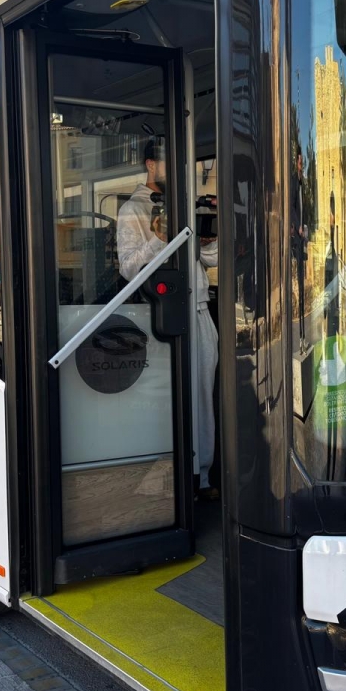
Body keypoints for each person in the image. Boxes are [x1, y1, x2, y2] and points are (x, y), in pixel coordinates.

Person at [117, 140, 219, 500]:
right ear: (150, 164)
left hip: (201, 310)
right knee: (166, 400)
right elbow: (129, 267)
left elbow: (207, 260)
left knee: (204, 396)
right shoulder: (133, 209)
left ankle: (202, 477)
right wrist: (159, 238)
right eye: (169, 161)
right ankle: (168, 479)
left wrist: (210, 235)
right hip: (160, 315)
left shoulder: (185, 202)